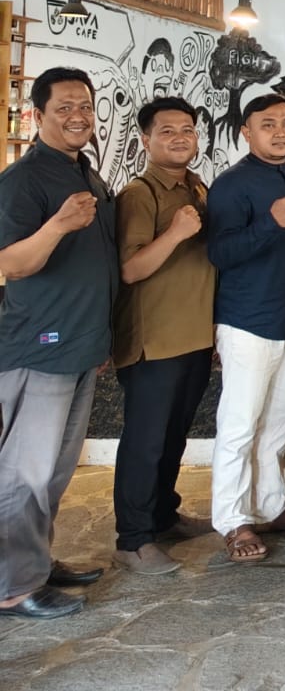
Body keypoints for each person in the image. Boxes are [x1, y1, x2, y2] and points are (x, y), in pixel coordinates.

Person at [0, 68, 116, 618]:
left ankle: (36, 562)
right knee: (24, 473)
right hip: (38, 346)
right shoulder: (22, 180)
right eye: (64, 107)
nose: (78, 116)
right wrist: (58, 225)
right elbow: (12, 263)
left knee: (54, 471)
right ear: (37, 114)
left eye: (85, 106)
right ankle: (12, 586)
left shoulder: (84, 171)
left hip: (79, 344)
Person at [111, 96, 215, 575]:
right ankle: (132, 540)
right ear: (145, 139)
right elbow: (130, 270)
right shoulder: (139, 194)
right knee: (145, 441)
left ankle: (163, 515)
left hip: (194, 336)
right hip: (154, 341)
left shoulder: (197, 186)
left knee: (174, 436)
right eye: (167, 130)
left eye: (187, 129)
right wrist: (174, 233)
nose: (179, 137)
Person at [206, 93, 285, 562]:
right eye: (268, 124)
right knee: (239, 425)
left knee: (279, 421)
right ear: (246, 132)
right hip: (247, 321)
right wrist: (270, 223)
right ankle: (232, 520)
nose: (280, 132)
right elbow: (219, 253)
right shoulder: (231, 184)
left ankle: (270, 503)